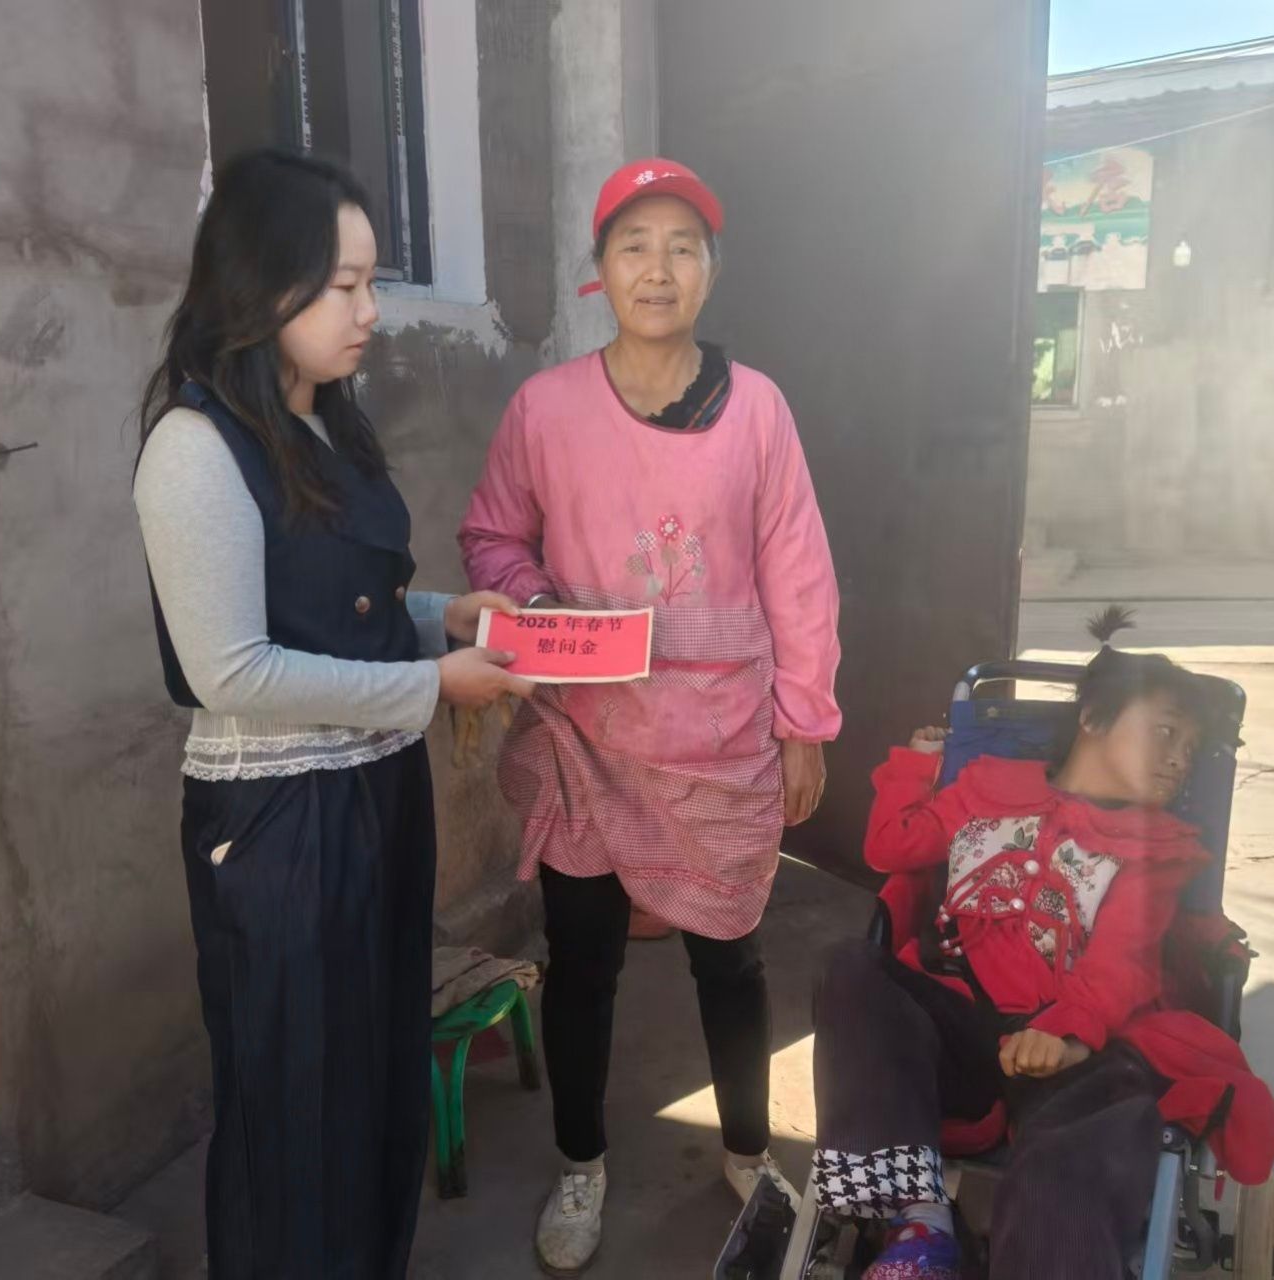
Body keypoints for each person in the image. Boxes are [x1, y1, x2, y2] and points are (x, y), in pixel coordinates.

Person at [132, 148, 532, 1279]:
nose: (370, 312)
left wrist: (446, 617)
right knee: (297, 1106)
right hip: (280, 833)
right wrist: (433, 686)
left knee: (374, 1083)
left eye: (371, 282)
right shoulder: (194, 449)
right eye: (344, 285)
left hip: (374, 798)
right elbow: (234, 670)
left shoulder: (322, 425)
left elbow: (342, 601)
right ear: (262, 287)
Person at [458, 157, 842, 1275]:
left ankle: (746, 1148)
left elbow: (798, 573)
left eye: (682, 246)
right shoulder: (544, 408)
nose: (658, 268)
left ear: (712, 269)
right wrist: (538, 610)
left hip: (721, 739)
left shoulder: (757, 408)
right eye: (635, 245)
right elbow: (491, 536)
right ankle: (581, 1162)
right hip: (585, 734)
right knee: (582, 961)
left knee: (729, 957)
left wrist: (803, 720)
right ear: (601, 269)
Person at [810, 610, 1274, 1280]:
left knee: (1076, 1153)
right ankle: (920, 1224)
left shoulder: (1155, 850)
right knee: (853, 968)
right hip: (961, 1028)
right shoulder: (985, 789)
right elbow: (891, 848)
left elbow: (1121, 962)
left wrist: (1068, 1036)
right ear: (1093, 718)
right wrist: (916, 768)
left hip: (1084, 1046)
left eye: (1189, 746)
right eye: (1165, 731)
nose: (1179, 758)